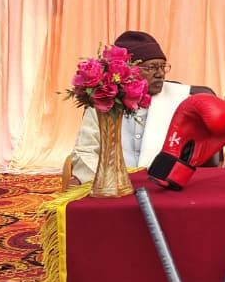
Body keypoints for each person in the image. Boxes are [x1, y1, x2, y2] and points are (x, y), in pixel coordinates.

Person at [69, 31, 213, 183]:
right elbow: (84, 151)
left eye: (163, 67)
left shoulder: (182, 99)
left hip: (163, 185)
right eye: (152, 67)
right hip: (113, 186)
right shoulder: (103, 100)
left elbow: (196, 154)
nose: (160, 74)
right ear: (128, 71)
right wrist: (107, 181)